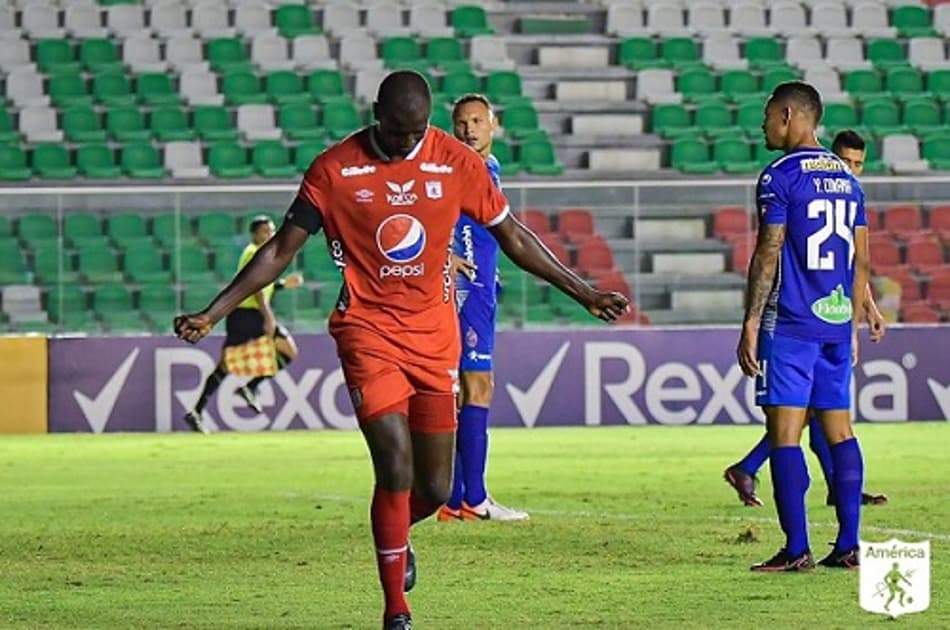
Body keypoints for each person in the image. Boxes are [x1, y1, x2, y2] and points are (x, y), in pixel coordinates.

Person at [174, 70, 630, 629]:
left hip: (434, 334)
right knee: (394, 467)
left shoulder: (457, 163)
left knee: (433, 488)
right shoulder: (335, 168)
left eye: (415, 133)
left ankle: (398, 535)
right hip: (367, 331)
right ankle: (396, 610)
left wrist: (583, 291)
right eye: (395, 132)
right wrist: (213, 312)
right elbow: (280, 250)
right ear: (376, 115)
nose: (405, 144)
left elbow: (514, 237)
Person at [737, 82, 870, 572]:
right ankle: (849, 544)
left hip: (791, 324)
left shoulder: (778, 176)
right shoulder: (847, 178)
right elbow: (862, 262)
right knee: (840, 430)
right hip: (836, 324)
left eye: (769, 115)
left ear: (791, 115)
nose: (764, 125)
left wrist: (751, 321)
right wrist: (852, 325)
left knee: (786, 433)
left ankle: (797, 549)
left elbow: (768, 251)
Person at [724, 130, 888, 509]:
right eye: (846, 161)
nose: (852, 169)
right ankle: (831, 492)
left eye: (859, 164)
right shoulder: (811, 188)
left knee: (814, 416)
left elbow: (849, 264)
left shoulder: (846, 194)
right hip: (801, 319)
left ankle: (764, 474)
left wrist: (869, 309)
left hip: (826, 319)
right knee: (811, 416)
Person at [435, 94, 528, 523]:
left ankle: (455, 500)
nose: (469, 129)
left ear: (495, 124)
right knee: (476, 386)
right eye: (460, 122)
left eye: (476, 120)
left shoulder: (486, 169)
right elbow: (431, 216)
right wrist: (443, 256)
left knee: (464, 392)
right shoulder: (459, 170)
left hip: (480, 289)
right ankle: (473, 499)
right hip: (465, 295)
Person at [183, 216, 304, 433]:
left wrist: (284, 285)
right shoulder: (253, 252)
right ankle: (241, 391)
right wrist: (268, 316)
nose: (271, 235)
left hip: (247, 314)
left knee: (231, 363)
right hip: (247, 314)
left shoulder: (262, 254)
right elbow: (255, 287)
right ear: (255, 234)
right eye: (266, 232)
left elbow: (265, 284)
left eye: (272, 231)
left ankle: (207, 406)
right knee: (279, 353)